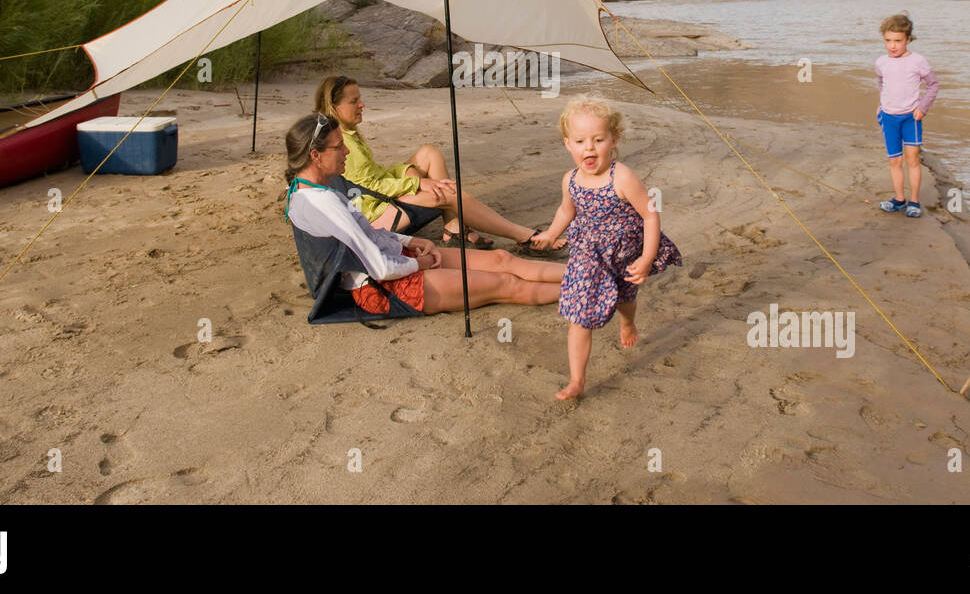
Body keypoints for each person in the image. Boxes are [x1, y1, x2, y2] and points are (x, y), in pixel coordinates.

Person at [285, 112, 564, 320]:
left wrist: (407, 243)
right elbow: (380, 267)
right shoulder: (323, 203)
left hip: (397, 259)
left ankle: (590, 274)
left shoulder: (302, 189)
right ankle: (588, 289)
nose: (346, 151)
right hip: (386, 286)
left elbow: (363, 235)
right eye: (338, 146)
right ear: (315, 155)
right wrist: (421, 263)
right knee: (508, 285)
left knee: (502, 259)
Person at [530, 96, 681, 400]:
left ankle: (627, 322)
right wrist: (550, 234)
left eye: (598, 139)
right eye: (581, 140)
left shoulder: (621, 177)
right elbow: (566, 211)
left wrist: (647, 257)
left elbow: (650, 214)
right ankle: (577, 380)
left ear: (614, 141)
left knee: (626, 300)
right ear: (567, 144)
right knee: (579, 316)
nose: (589, 147)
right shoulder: (570, 180)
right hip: (588, 257)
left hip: (625, 254)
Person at [313, 75, 549, 252]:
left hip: (374, 195)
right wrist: (417, 184)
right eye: (354, 101)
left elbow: (374, 174)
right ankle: (522, 235)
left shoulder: (346, 133)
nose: (362, 104)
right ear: (334, 107)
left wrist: (408, 173)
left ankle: (453, 229)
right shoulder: (342, 143)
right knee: (447, 191)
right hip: (372, 212)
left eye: (360, 99)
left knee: (429, 153)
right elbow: (371, 187)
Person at [874, 12, 939, 218]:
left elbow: (933, 85)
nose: (892, 46)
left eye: (898, 41)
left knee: (912, 159)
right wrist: (881, 105)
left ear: (908, 39)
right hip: (889, 118)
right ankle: (899, 199)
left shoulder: (918, 61)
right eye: (888, 41)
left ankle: (915, 201)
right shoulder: (881, 62)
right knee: (894, 161)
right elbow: (882, 83)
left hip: (911, 118)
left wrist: (922, 107)